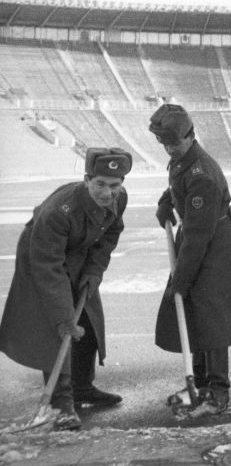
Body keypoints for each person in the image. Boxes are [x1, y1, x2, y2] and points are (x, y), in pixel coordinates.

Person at [0, 147, 130, 431]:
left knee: (88, 320)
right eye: (100, 185)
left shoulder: (119, 199)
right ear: (86, 179)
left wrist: (94, 271)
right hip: (41, 257)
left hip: (80, 254)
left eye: (115, 185)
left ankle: (82, 387)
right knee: (57, 328)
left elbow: (111, 233)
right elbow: (49, 268)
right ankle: (59, 404)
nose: (108, 193)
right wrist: (62, 316)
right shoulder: (60, 211)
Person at [149, 104, 231, 414]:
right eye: (164, 144)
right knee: (194, 311)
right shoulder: (184, 161)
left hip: (212, 246)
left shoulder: (203, 173)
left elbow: (199, 236)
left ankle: (217, 389)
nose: (168, 149)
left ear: (190, 136)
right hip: (196, 236)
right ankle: (200, 381)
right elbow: (178, 189)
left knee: (211, 314)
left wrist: (181, 280)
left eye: (173, 143)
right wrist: (166, 203)